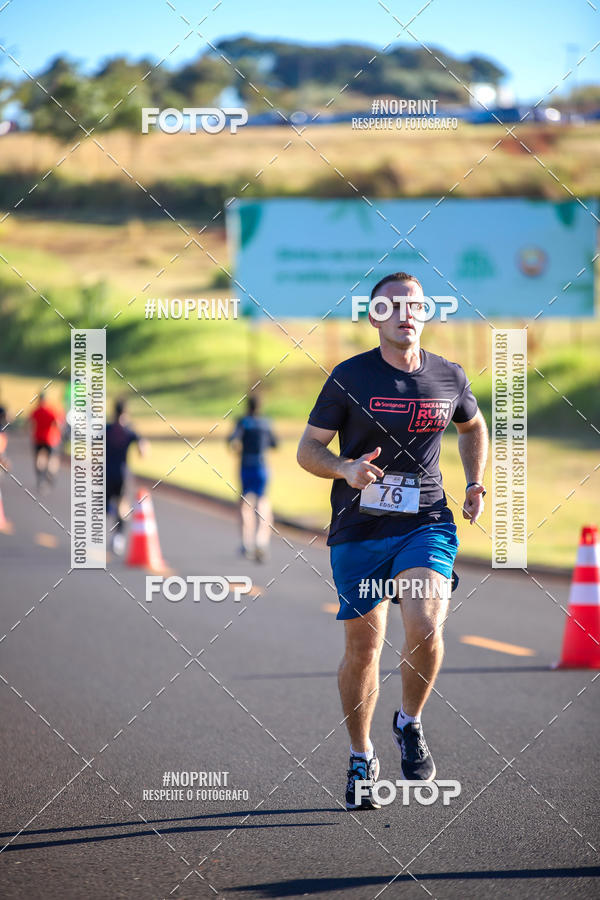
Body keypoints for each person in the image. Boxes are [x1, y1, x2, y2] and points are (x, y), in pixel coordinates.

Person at [297, 272, 488, 810]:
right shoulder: (349, 377)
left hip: (426, 521)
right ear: (374, 317)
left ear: (427, 312)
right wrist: (345, 468)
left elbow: (473, 427)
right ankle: (361, 755)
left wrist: (474, 482)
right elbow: (308, 450)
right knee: (364, 648)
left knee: (425, 625)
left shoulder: (448, 375)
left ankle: (409, 721)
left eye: (415, 305)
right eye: (392, 306)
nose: (406, 313)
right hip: (358, 527)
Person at [227, 394, 278, 562]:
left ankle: (246, 543)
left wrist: (237, 448)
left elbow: (232, 440)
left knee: (245, 504)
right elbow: (275, 444)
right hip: (262, 466)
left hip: (246, 465)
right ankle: (261, 542)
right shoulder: (266, 423)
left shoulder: (243, 422)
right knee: (263, 502)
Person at [106, 399, 148, 555]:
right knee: (122, 506)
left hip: (107, 473)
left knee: (108, 505)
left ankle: (116, 533)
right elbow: (142, 447)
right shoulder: (128, 430)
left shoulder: (107, 429)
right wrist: (142, 450)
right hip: (122, 474)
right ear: (125, 412)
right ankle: (118, 537)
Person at [29, 392, 63, 492]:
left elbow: (31, 423)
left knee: (38, 459)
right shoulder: (51, 410)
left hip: (38, 438)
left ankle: (41, 479)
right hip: (50, 439)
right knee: (51, 458)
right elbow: (57, 423)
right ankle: (50, 473)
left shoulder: (36, 411)